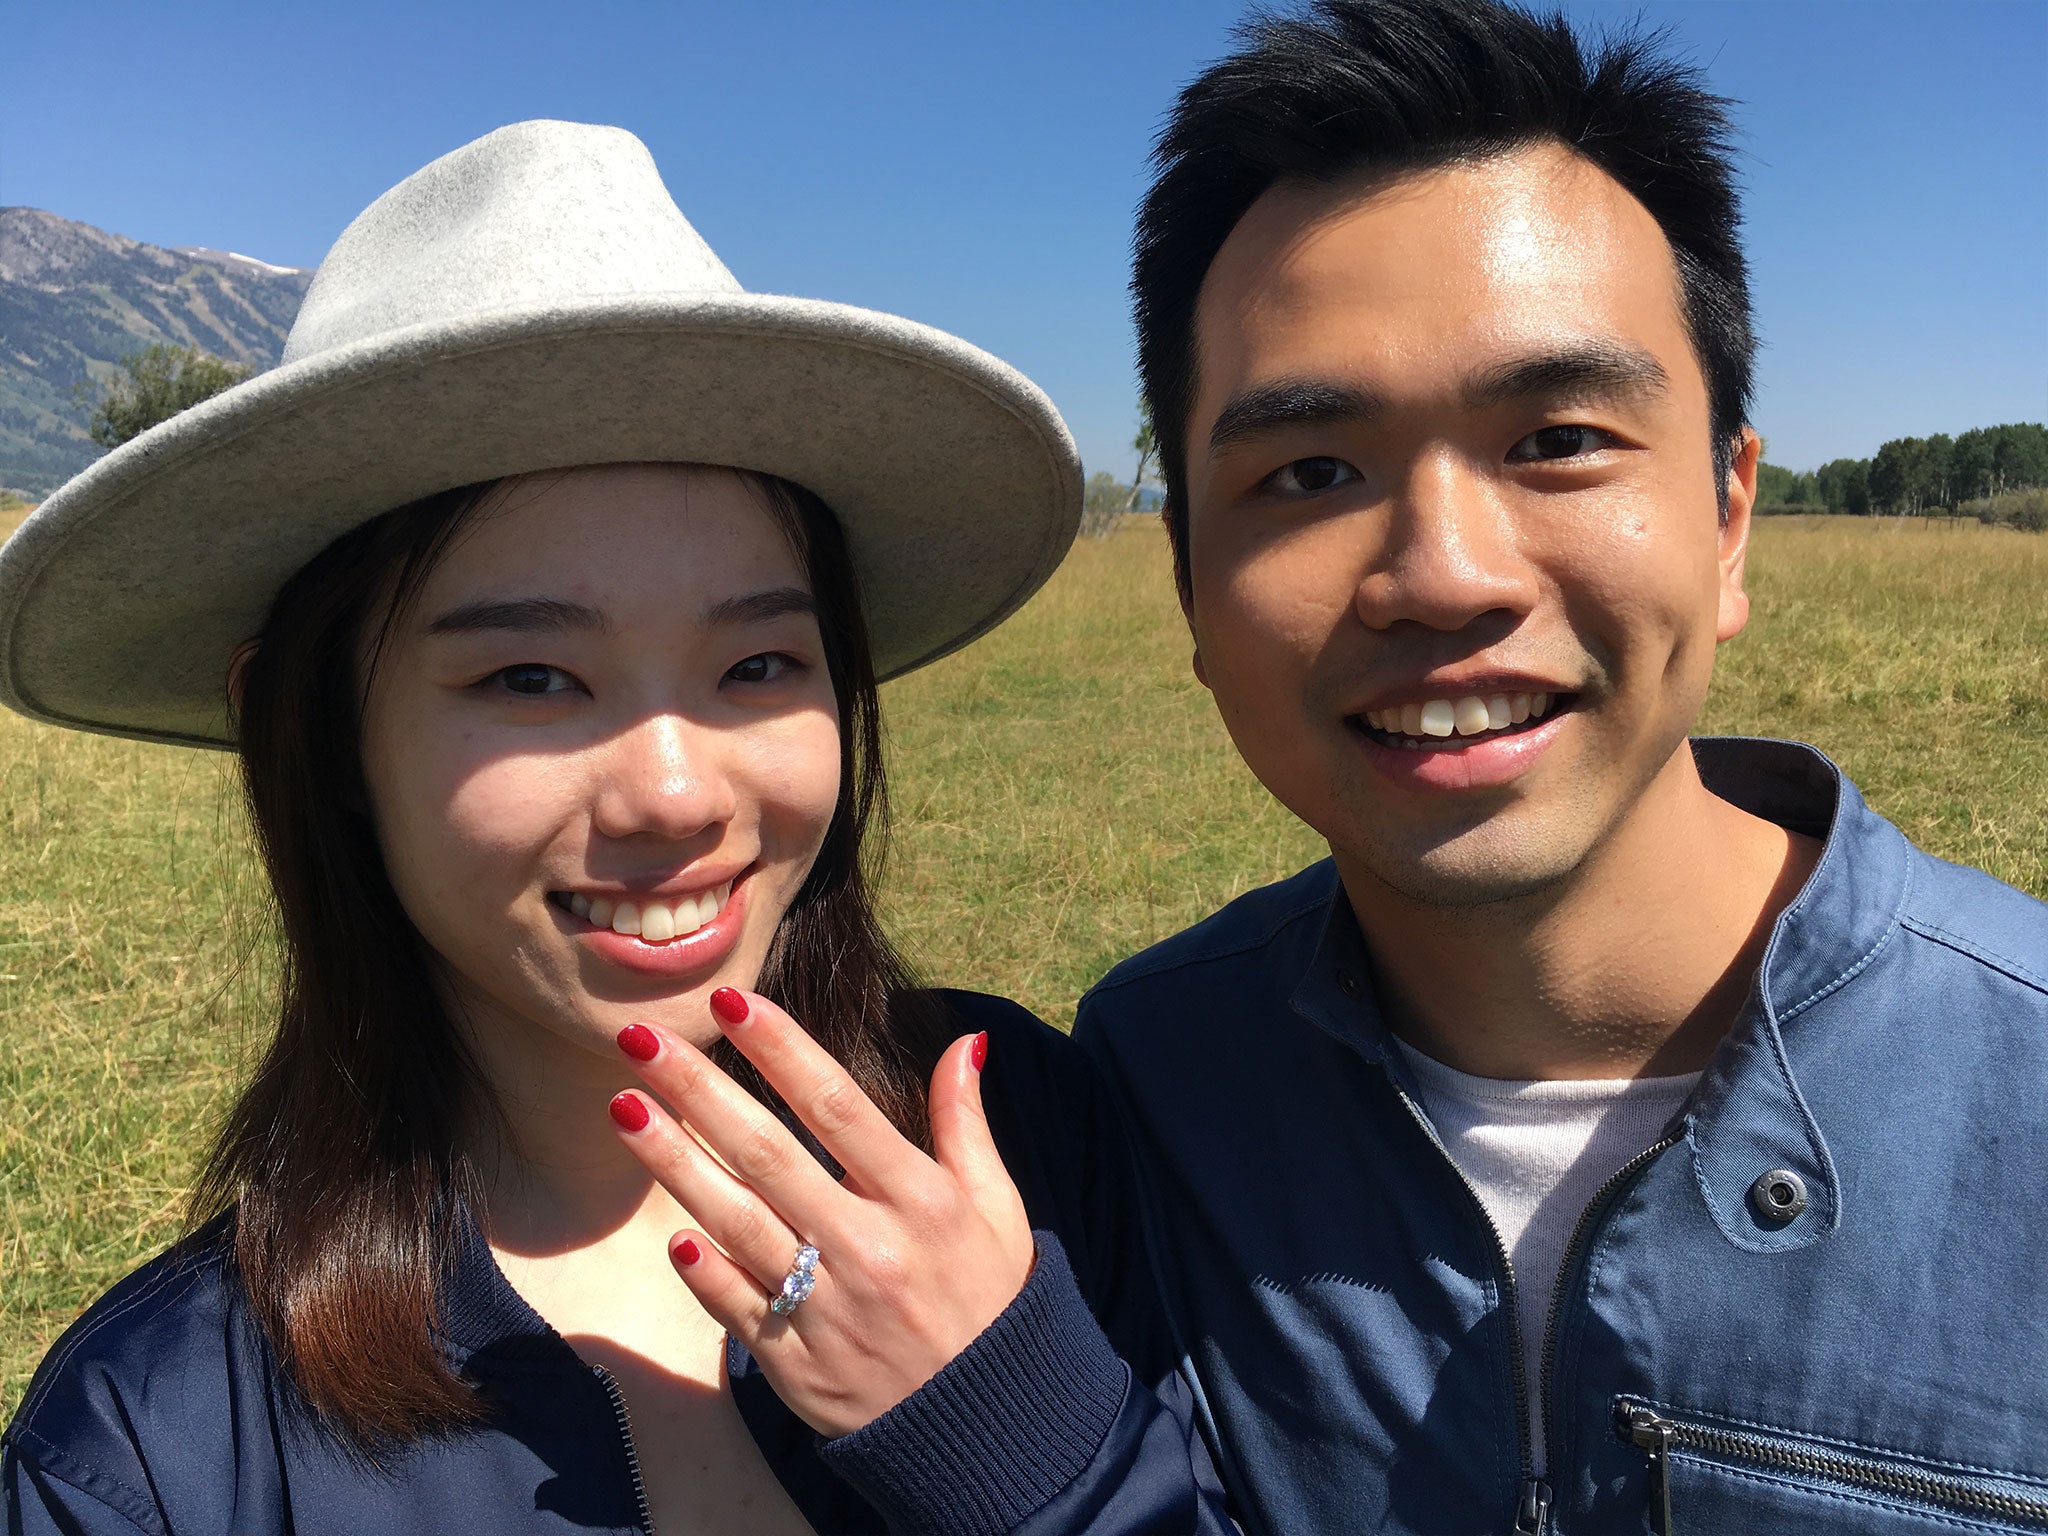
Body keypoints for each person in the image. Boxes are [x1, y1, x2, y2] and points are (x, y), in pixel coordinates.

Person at [0, 120, 1227, 1536]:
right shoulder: (160, 1454)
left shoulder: (1029, 1148)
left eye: (760, 662)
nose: (676, 793)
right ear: (325, 733)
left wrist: (1034, 1457)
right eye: (531, 678)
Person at [1053, 0, 2047, 1530]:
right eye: (1310, 472)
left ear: (1728, 516)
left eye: (1560, 438)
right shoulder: (1149, 1093)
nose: (1444, 574)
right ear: (1189, 579)